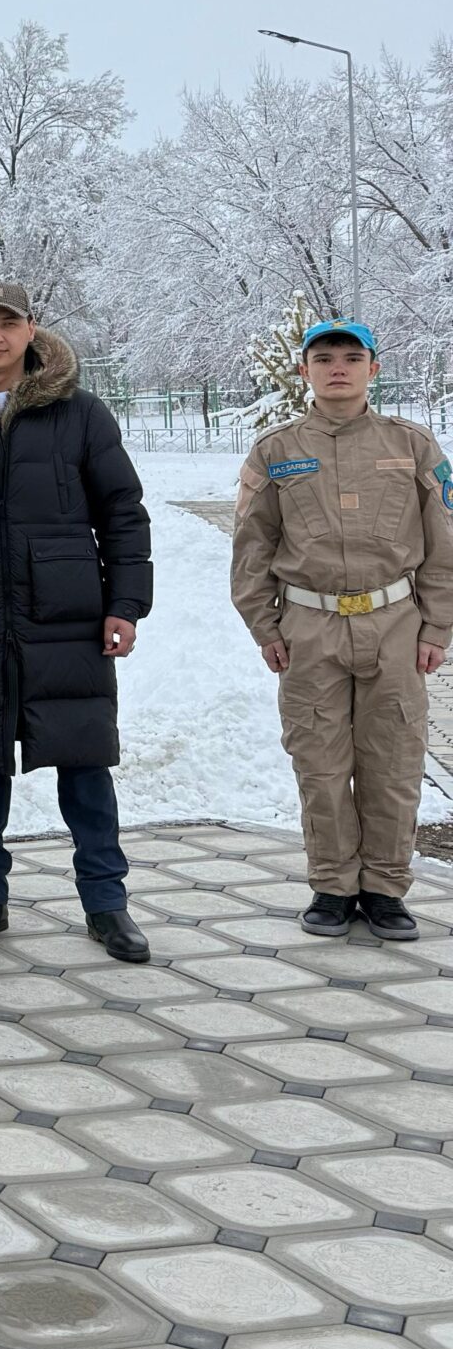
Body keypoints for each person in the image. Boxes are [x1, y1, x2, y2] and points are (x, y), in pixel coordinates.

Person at [0, 283, 154, 963]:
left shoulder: (82, 416)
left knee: (85, 762)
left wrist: (125, 604)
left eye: (7, 323)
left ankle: (107, 902)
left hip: (65, 619)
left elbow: (123, 513)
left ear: (31, 330)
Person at [230, 318, 453, 940]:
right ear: (303, 371)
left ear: (372, 370)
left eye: (352, 357)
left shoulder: (412, 445)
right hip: (309, 626)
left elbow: (444, 544)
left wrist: (436, 628)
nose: (337, 367)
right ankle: (331, 885)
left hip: (394, 625)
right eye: (323, 357)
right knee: (319, 762)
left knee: (393, 760)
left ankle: (384, 888)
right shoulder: (276, 451)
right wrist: (263, 624)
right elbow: (252, 547)